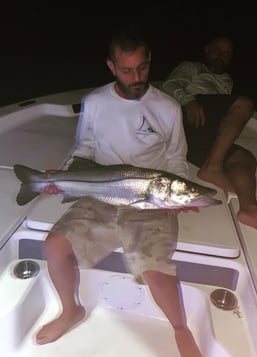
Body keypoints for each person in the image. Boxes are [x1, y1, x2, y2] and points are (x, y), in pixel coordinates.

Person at [35, 26, 202, 357]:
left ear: (150, 61)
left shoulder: (168, 107)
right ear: (112, 67)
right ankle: (71, 310)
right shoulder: (96, 102)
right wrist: (66, 175)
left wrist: (176, 194)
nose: (136, 76)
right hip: (103, 190)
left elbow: (177, 159)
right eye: (126, 70)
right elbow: (86, 147)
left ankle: (180, 329)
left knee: (155, 268)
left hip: (151, 195)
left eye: (142, 67)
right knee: (54, 245)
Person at [162, 36, 257, 235]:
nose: (221, 56)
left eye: (226, 53)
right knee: (244, 104)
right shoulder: (193, 67)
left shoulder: (227, 81)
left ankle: (249, 208)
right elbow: (170, 84)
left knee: (245, 158)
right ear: (207, 50)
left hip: (200, 137)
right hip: (189, 117)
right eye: (217, 50)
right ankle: (213, 167)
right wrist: (190, 101)